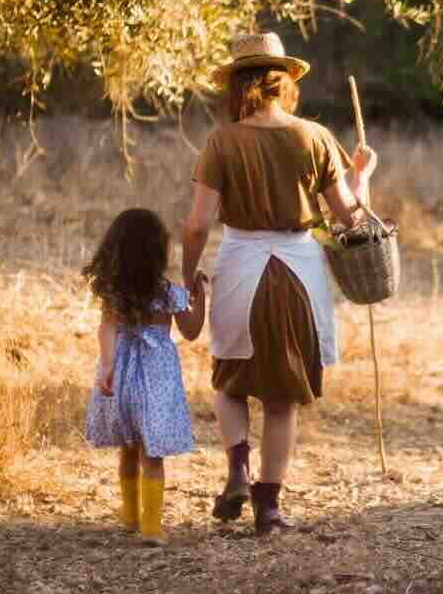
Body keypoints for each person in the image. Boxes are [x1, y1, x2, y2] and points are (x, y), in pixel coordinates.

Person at [181, 33, 377, 535]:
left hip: (239, 262)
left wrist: (188, 274)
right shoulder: (313, 137)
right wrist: (363, 177)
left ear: (239, 85)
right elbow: (351, 218)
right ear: (283, 81)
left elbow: (198, 224)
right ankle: (268, 510)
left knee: (229, 379)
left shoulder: (223, 141)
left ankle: (237, 471)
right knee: (282, 395)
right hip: (297, 266)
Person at [83, 208, 206, 545]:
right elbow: (192, 330)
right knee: (152, 454)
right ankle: (152, 528)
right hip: (155, 379)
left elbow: (106, 328)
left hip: (122, 377)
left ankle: (130, 519)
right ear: (157, 253)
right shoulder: (167, 292)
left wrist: (108, 366)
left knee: (128, 447)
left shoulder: (115, 294)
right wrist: (198, 296)